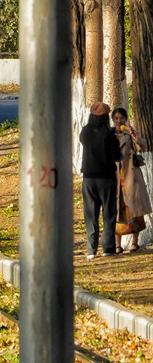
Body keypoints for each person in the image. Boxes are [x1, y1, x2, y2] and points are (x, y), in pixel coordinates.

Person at [79, 101, 122, 259]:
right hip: (106, 178)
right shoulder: (109, 134)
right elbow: (117, 156)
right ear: (105, 117)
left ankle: (91, 250)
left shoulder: (84, 132)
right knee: (109, 212)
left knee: (90, 214)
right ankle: (108, 248)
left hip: (88, 178)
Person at [112, 107, 151, 253]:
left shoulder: (130, 133)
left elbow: (142, 145)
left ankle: (135, 242)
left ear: (126, 119)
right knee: (117, 210)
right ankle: (117, 244)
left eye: (121, 118)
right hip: (115, 175)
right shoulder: (110, 134)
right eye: (116, 118)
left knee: (134, 208)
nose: (119, 121)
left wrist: (134, 135)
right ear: (113, 120)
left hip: (131, 176)